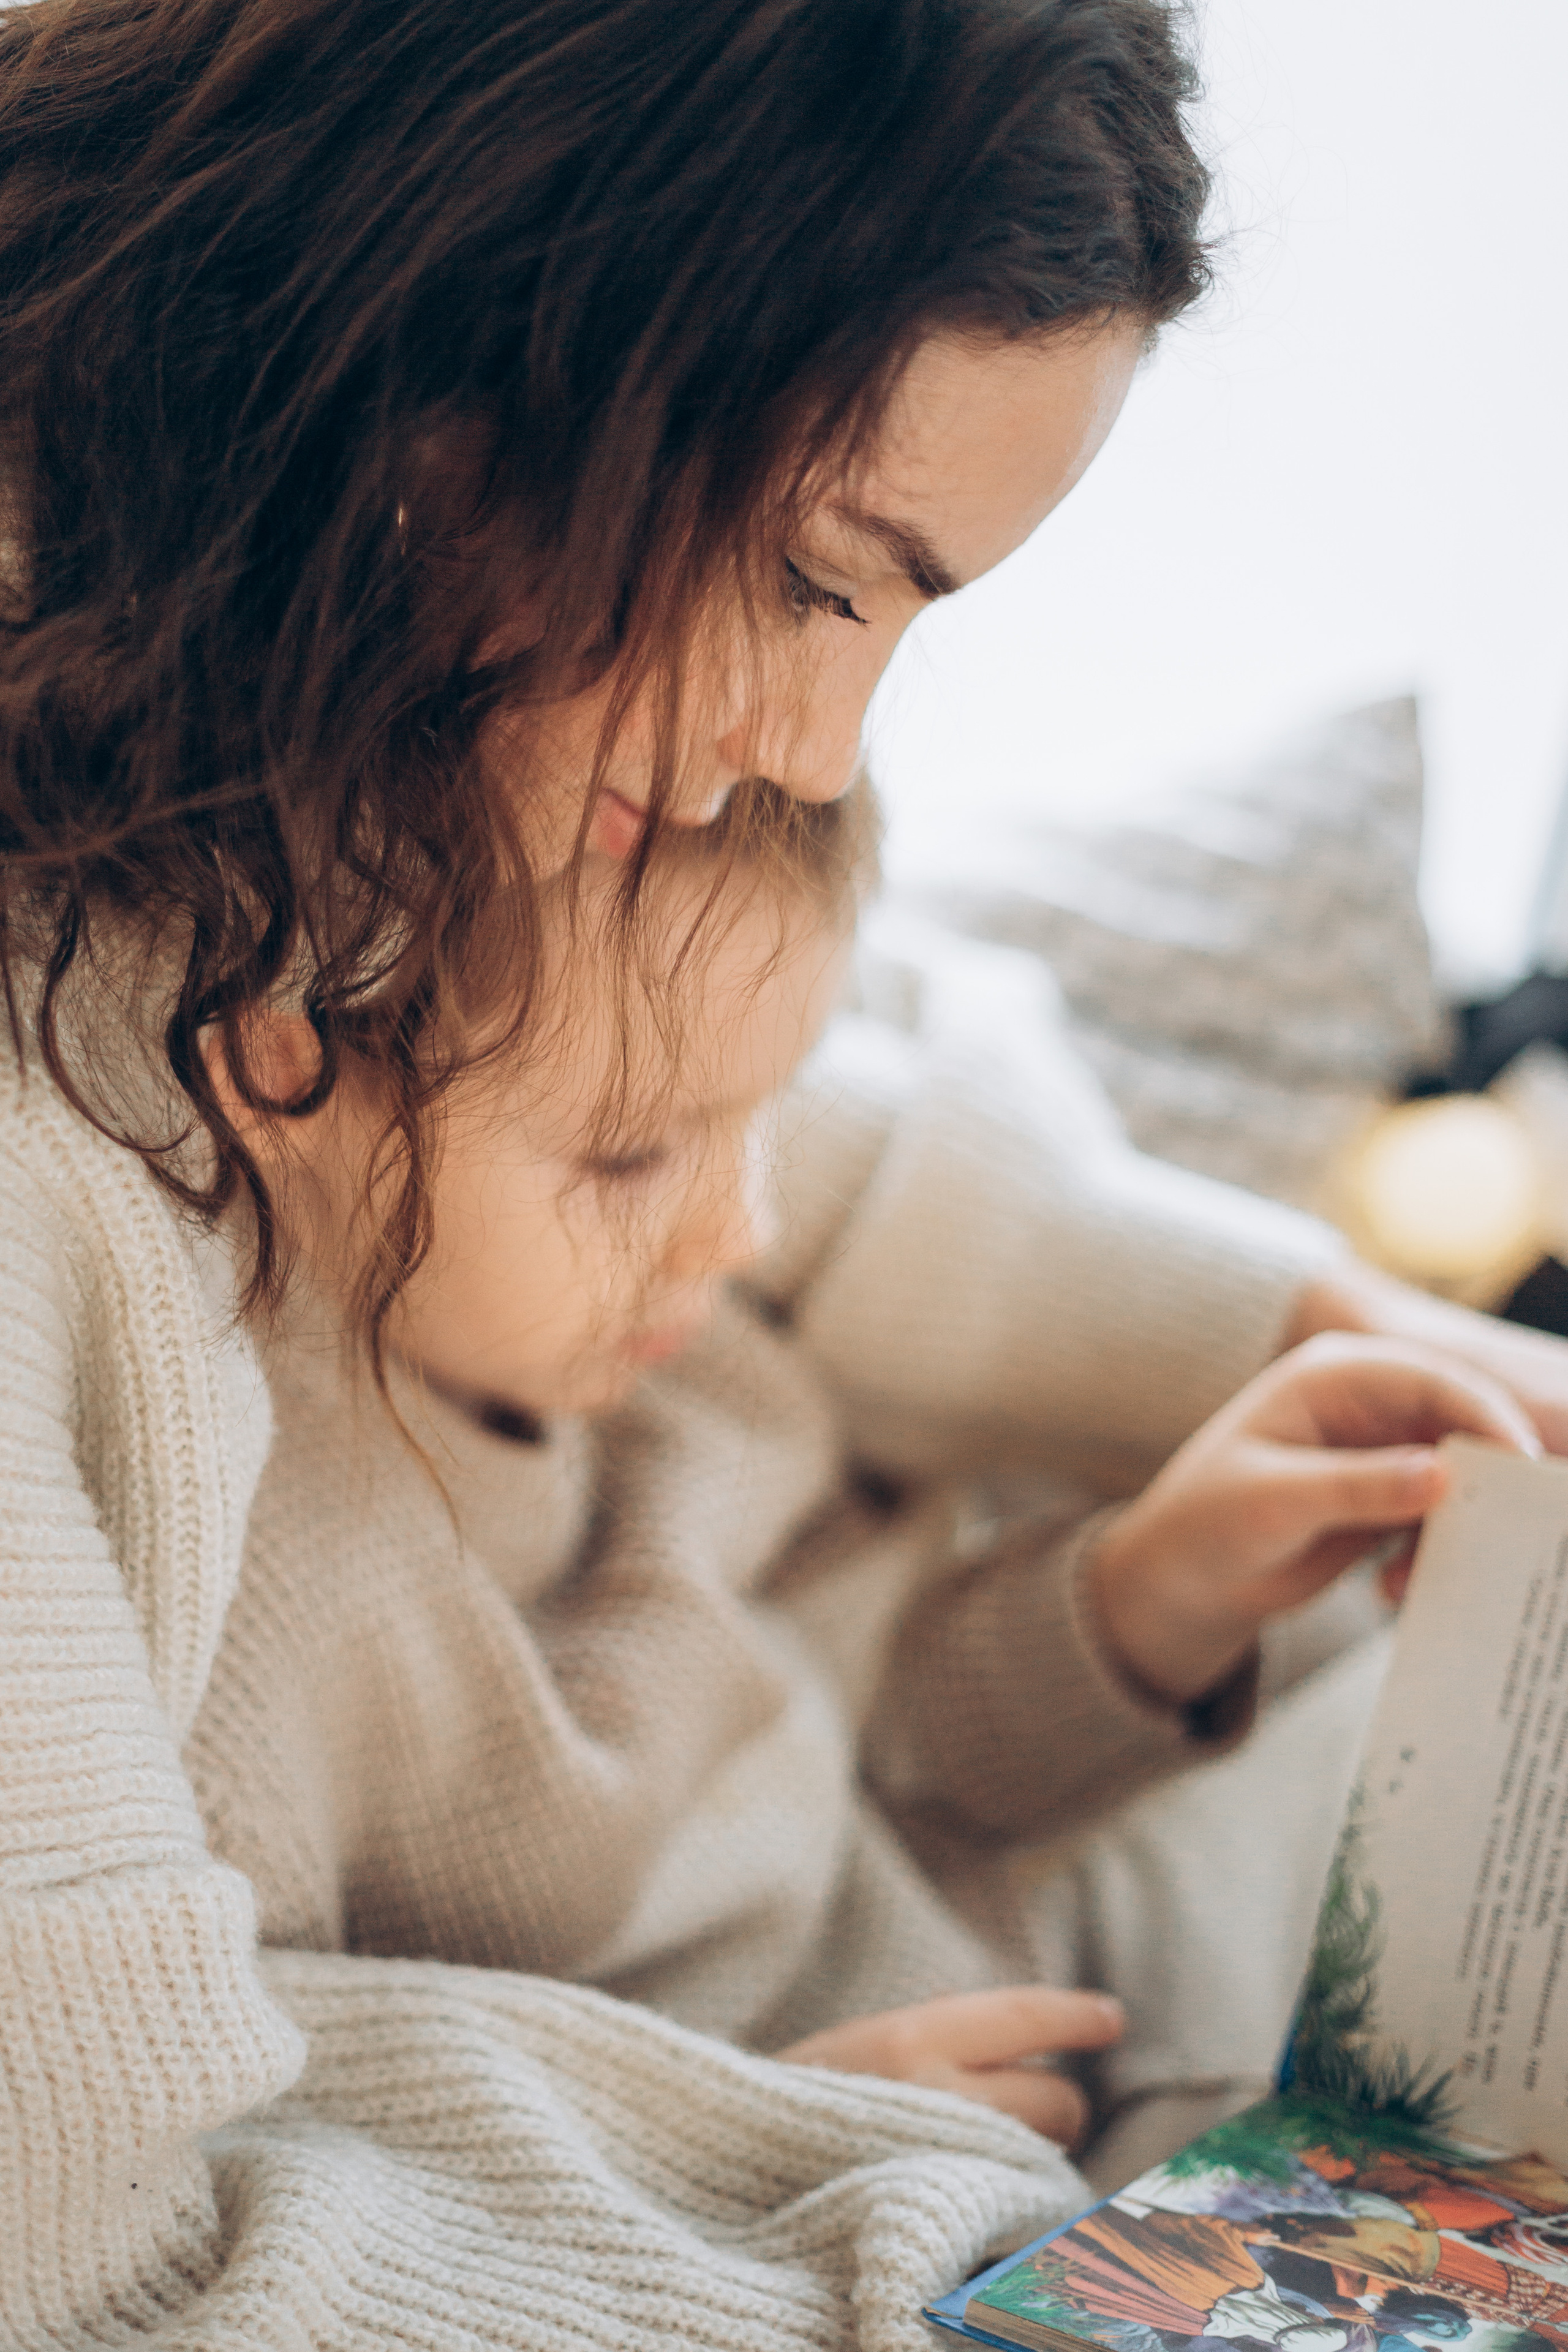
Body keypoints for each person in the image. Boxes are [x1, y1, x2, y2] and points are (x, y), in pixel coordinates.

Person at [6, 0, 1568, 2341]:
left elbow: (766, 1126)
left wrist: (1300, 1369)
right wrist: (723, 2135)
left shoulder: (355, 749)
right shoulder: (136, 1190)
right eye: (825, 578)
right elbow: (110, 2242)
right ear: (497, 323)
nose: (820, 748)